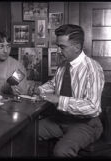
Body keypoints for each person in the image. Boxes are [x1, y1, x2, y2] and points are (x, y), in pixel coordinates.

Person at [36, 24, 105, 157]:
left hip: (86, 124)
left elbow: (93, 107)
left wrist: (59, 100)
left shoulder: (93, 69)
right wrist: (39, 90)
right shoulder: (63, 65)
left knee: (61, 151)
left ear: (77, 47)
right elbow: (53, 84)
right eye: (58, 46)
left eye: (62, 47)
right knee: (27, 133)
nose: (58, 50)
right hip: (61, 119)